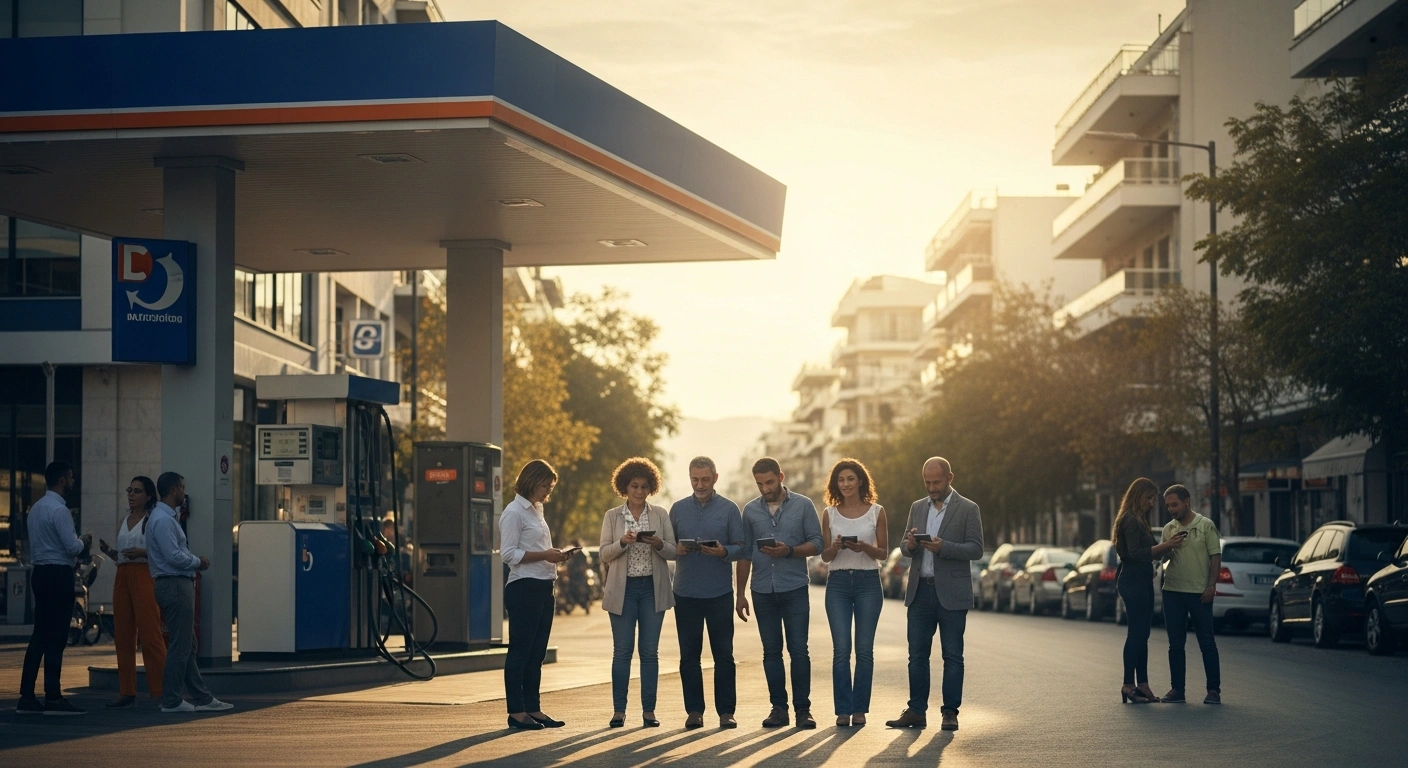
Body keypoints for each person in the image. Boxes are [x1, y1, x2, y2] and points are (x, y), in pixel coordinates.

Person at [885, 457, 982, 732]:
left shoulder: (968, 508)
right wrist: (912, 544)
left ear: (949, 478)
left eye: (936, 482)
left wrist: (944, 547)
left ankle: (950, 712)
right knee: (916, 655)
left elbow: (976, 549)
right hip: (920, 592)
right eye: (927, 482)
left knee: (952, 655)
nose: (931, 487)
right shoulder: (917, 507)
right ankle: (916, 711)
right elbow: (904, 546)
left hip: (952, 593)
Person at [736, 457, 822, 729]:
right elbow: (745, 554)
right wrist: (739, 594)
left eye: (769, 482)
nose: (765, 488)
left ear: (781, 477)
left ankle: (803, 711)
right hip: (762, 590)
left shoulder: (803, 505)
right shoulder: (750, 511)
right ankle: (778, 709)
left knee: (799, 651)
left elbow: (818, 544)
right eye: (760, 484)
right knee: (771, 651)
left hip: (794, 587)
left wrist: (790, 551)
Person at [667, 456, 745, 730]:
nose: (700, 485)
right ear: (690, 478)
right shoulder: (677, 509)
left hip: (719, 593)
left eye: (705, 479)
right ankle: (694, 712)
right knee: (689, 656)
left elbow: (741, 548)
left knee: (724, 655)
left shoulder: (729, 509)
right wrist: (677, 547)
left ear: (715, 478)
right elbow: (666, 546)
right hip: (685, 593)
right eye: (695, 480)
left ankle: (726, 712)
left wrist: (723, 551)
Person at [600, 457, 677, 728]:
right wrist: (622, 541)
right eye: (634, 486)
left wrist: (658, 543)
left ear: (651, 488)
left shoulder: (660, 514)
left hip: (652, 590)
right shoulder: (612, 516)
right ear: (625, 487)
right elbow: (604, 553)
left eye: (645, 486)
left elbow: (673, 550)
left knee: (649, 652)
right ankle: (619, 710)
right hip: (623, 589)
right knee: (622, 652)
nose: (639, 492)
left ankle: (649, 711)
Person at [147, 471, 232, 713]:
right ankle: (172, 700)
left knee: (187, 643)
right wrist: (197, 562)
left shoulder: (165, 517)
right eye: (182, 487)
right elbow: (173, 555)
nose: (185, 492)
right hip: (174, 584)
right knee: (181, 645)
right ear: (173, 489)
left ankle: (202, 697)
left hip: (173, 584)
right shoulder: (163, 520)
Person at [501, 459, 572, 731]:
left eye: (550, 487)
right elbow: (508, 554)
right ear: (531, 482)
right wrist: (545, 555)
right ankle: (516, 712)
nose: (547, 492)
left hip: (544, 585)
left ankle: (533, 708)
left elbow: (538, 548)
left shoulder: (537, 510)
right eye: (545, 486)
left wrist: (557, 556)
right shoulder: (514, 512)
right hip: (524, 588)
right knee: (521, 650)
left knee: (537, 652)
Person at [16, 461, 91, 716]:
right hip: (58, 574)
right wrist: (85, 541)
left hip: (40, 573)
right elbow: (72, 547)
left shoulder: (36, 509)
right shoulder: (60, 510)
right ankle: (54, 697)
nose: (72, 481)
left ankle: (26, 696)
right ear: (62, 480)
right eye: (70, 477)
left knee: (39, 634)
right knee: (57, 637)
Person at [819, 458, 888, 727]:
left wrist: (864, 548)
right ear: (836, 484)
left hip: (868, 582)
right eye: (840, 480)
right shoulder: (829, 513)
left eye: (850, 479)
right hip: (837, 584)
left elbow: (882, 551)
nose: (845, 484)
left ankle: (859, 709)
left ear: (861, 481)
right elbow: (824, 556)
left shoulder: (876, 511)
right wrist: (836, 547)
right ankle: (843, 710)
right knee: (841, 650)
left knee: (864, 650)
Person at [1109, 477, 1186, 705]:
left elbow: (1152, 549)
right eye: (1150, 498)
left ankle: (1142, 684)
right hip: (1132, 580)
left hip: (1141, 579)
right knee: (1136, 633)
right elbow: (1135, 553)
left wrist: (1167, 548)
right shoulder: (1130, 520)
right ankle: (1127, 684)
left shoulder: (1140, 519)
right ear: (1139, 496)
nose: (1153, 503)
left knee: (1143, 634)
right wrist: (1168, 545)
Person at [97, 476, 167, 708]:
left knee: (150, 634)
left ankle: (160, 690)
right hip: (123, 575)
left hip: (144, 574)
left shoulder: (152, 519)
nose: (131, 494)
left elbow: (161, 551)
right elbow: (122, 554)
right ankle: (126, 690)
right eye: (130, 490)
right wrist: (110, 552)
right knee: (123, 635)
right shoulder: (124, 520)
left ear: (148, 496)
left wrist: (143, 553)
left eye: (137, 491)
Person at [1159, 483, 1223, 705]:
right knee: (1175, 643)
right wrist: (1168, 546)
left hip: (1199, 593)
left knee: (1206, 641)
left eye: (1175, 504)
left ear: (1187, 501)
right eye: (1168, 506)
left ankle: (1213, 690)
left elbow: (1215, 555)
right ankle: (1178, 690)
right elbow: (1163, 558)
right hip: (1173, 592)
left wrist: (1211, 585)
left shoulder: (1206, 526)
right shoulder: (1168, 529)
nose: (1172, 510)